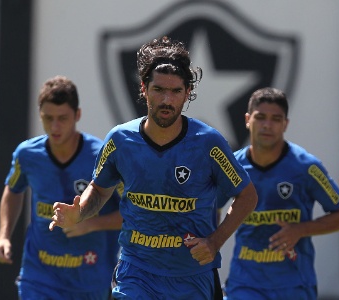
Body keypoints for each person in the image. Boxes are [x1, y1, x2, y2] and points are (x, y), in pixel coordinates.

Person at [49, 36, 258, 299]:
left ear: (188, 92)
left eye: (176, 91)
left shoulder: (208, 143)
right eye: (159, 90)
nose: (167, 100)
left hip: (192, 279)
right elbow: (100, 190)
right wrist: (79, 212)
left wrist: (215, 241)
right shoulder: (119, 140)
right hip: (136, 274)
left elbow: (247, 195)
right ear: (144, 89)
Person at [0, 75, 122, 299]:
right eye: (48, 118)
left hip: (89, 278)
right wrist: (3, 236)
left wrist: (89, 224)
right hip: (39, 276)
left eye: (62, 118)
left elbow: (132, 212)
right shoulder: (27, 154)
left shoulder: (101, 157)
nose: (55, 126)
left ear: (77, 115)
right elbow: (13, 190)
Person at [217, 87, 339, 300]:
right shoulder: (234, 166)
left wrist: (300, 229)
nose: (267, 125)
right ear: (247, 119)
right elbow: (211, 206)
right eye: (260, 117)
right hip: (245, 284)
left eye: (276, 119)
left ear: (285, 124)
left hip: (294, 285)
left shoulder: (306, 167)